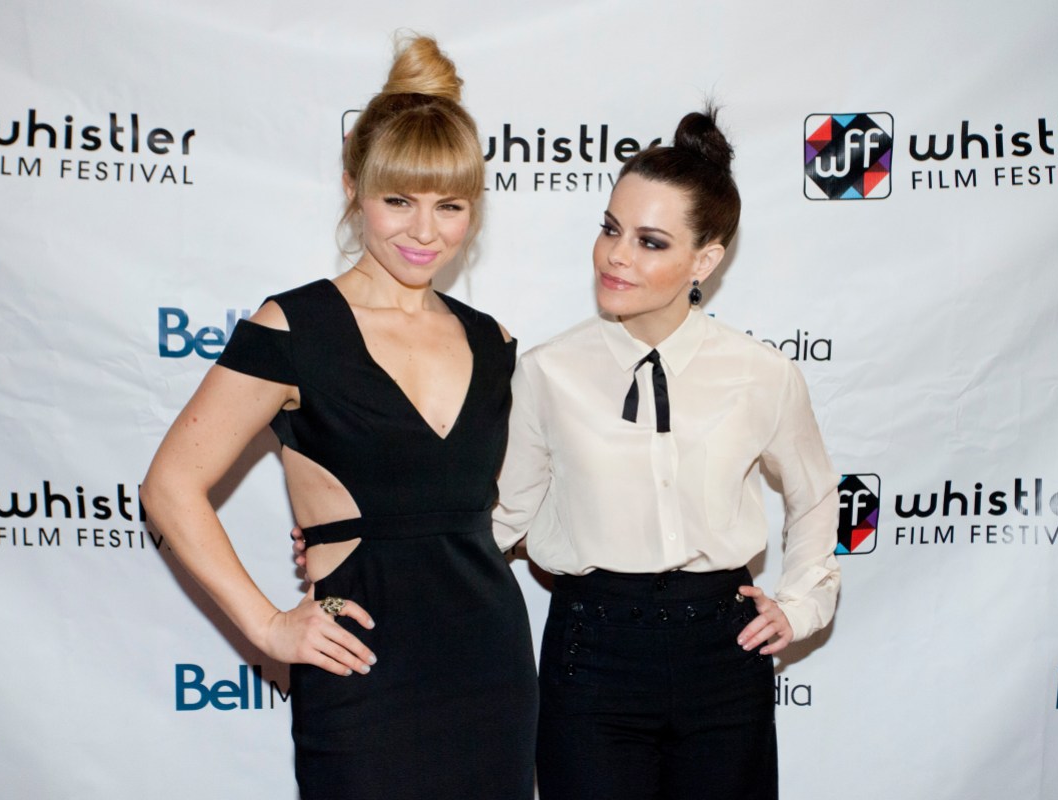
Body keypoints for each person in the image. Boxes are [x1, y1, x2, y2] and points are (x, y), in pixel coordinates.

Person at [141, 35, 537, 800]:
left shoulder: (495, 342)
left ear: (474, 211)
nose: (425, 232)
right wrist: (265, 626)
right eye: (399, 201)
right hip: (361, 678)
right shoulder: (294, 329)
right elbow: (169, 486)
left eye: (450, 207)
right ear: (354, 187)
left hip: (491, 668)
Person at [494, 108, 841, 800]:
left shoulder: (760, 373)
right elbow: (503, 518)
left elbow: (816, 494)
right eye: (610, 228)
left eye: (650, 241)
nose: (616, 255)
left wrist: (801, 604)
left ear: (705, 261)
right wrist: (372, 546)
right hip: (590, 651)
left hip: (722, 652)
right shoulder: (546, 372)